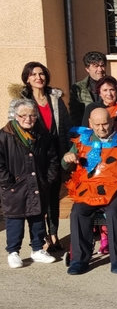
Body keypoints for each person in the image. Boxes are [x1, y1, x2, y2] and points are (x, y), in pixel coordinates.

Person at [63, 108, 117, 275]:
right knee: (78, 211)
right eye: (97, 124)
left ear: (112, 121)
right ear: (90, 124)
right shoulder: (82, 140)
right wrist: (68, 158)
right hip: (90, 187)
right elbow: (66, 164)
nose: (101, 128)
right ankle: (79, 260)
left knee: (113, 212)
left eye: (105, 124)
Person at [8, 62, 71, 251]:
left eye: (41, 73)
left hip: (54, 154)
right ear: (27, 78)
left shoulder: (55, 99)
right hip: (33, 155)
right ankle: (41, 237)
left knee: (53, 196)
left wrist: (68, 151)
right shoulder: (20, 101)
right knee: (37, 198)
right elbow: (14, 130)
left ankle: (54, 234)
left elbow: (66, 127)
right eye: (33, 74)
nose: (38, 77)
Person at [1, 100, 59, 268]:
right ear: (15, 116)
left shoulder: (43, 135)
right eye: (23, 115)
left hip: (38, 185)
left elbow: (53, 160)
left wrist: (47, 180)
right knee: (15, 220)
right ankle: (13, 252)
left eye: (32, 115)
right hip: (14, 187)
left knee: (38, 218)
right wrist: (8, 183)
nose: (28, 119)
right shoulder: (4, 136)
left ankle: (37, 249)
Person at [70, 51, 117, 127]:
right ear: (87, 69)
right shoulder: (78, 89)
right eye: (96, 66)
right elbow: (75, 115)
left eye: (102, 65)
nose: (100, 69)